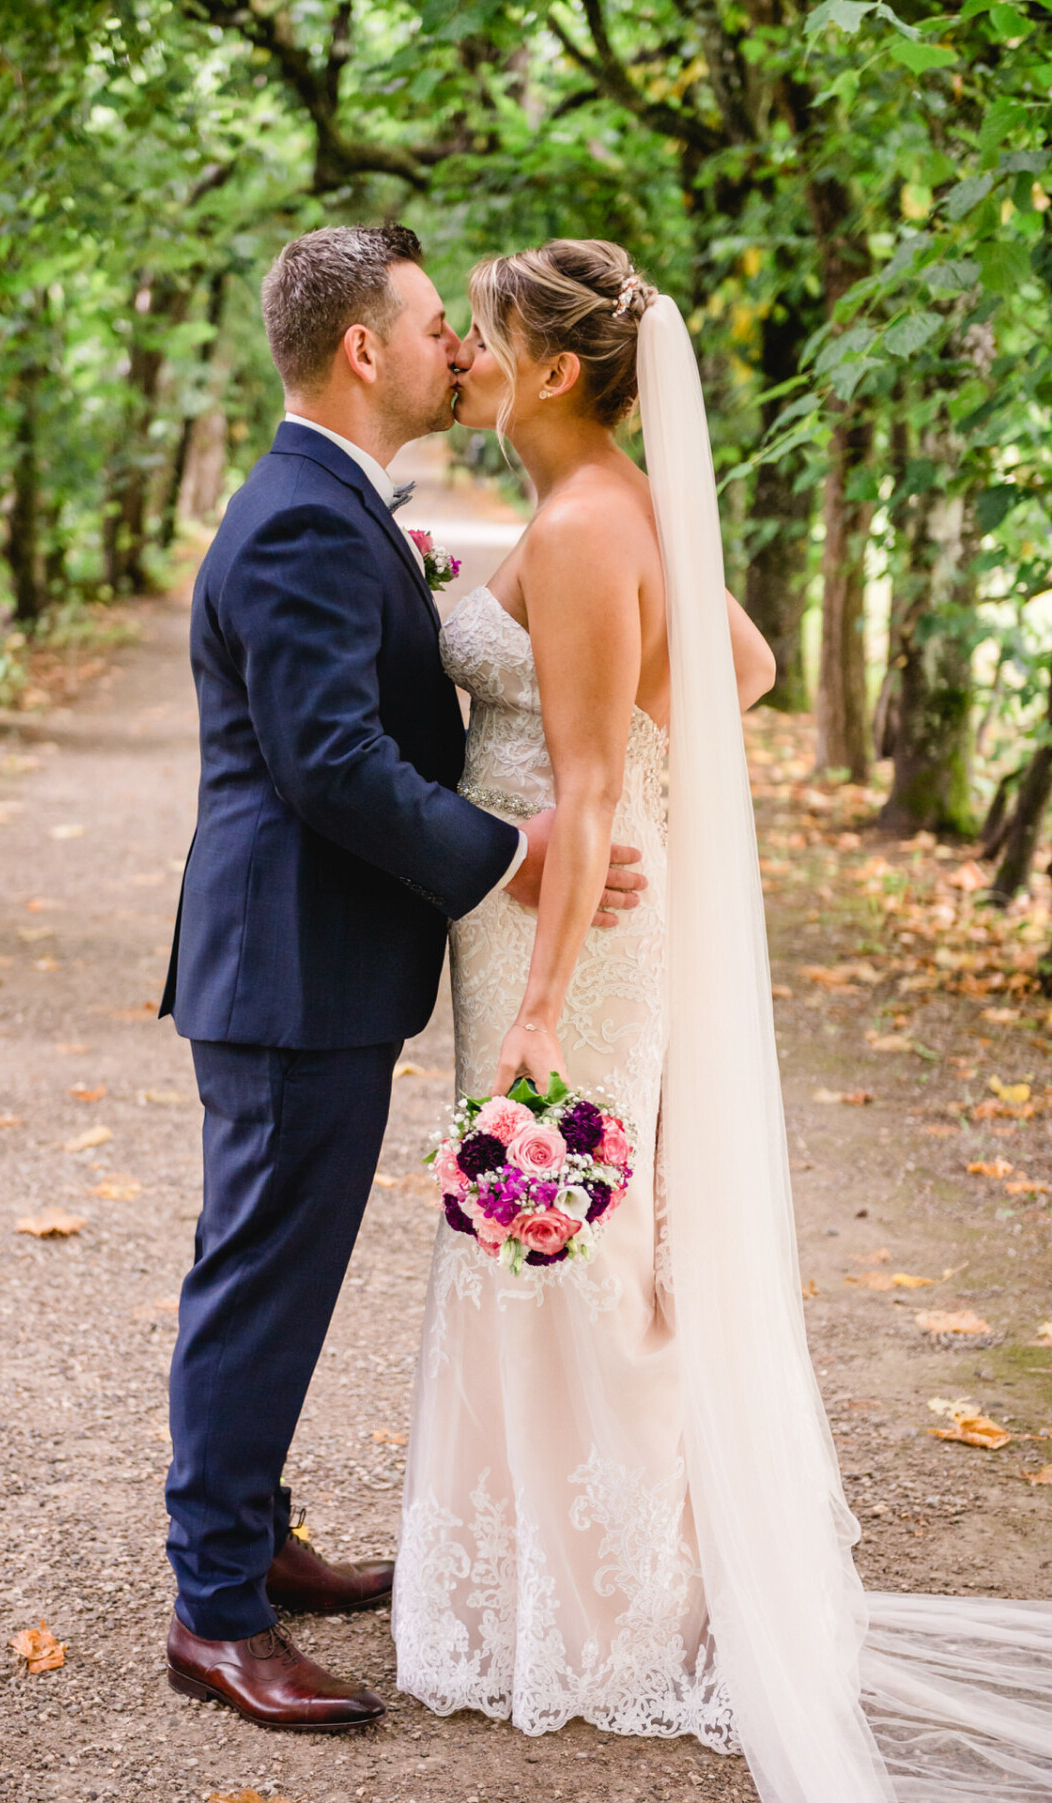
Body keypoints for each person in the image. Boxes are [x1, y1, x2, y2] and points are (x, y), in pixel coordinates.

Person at [393, 240, 1052, 1801]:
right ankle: (591, 1586)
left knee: (570, 1247)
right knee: (600, 1245)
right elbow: (740, 663)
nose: (469, 358)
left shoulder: (577, 525)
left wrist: (546, 1000)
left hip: (571, 942)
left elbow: (600, 782)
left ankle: (603, 1622)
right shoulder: (619, 502)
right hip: (589, 914)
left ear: (555, 371)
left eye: (483, 337)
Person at [158, 224, 646, 1732]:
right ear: (365, 348)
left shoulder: (332, 501)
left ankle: (255, 1535)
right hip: (289, 969)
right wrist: (522, 856)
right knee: (259, 1278)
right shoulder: (305, 517)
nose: (458, 348)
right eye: (437, 324)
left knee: (278, 1271)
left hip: (308, 962)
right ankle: (216, 1611)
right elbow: (331, 762)